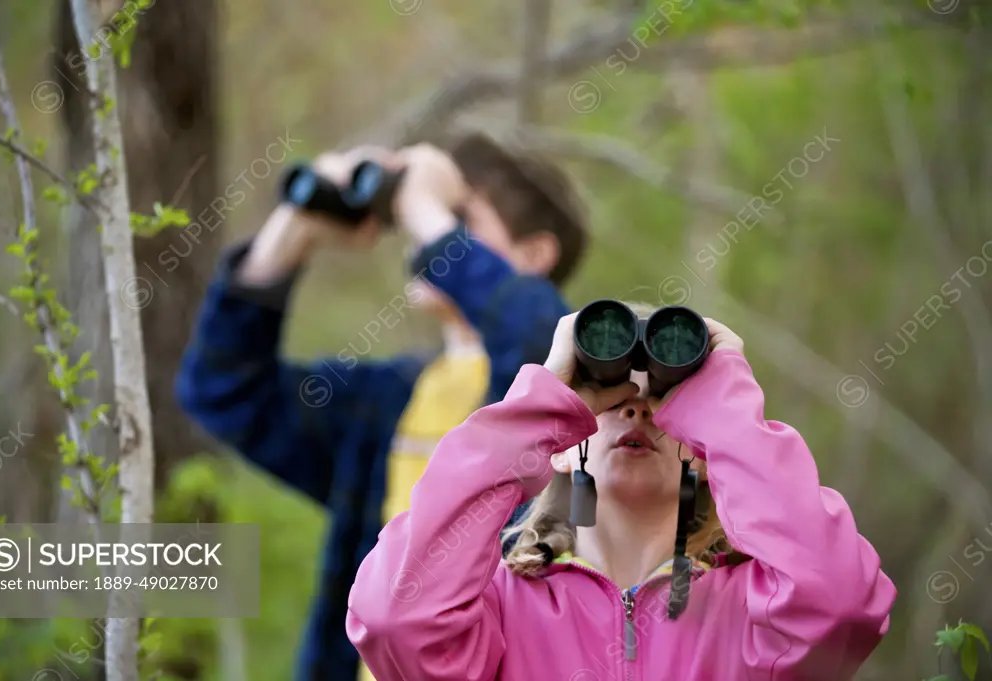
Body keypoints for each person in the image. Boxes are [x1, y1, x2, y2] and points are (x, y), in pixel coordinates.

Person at [175, 133, 589, 681]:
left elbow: (541, 344)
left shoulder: (576, 408)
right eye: (424, 218)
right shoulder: (387, 401)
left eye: (459, 217)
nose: (422, 237)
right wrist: (296, 228)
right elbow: (223, 388)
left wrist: (420, 204)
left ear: (535, 255)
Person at [347, 308, 898, 681]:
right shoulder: (494, 612)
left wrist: (728, 412)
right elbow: (396, 618)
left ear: (703, 455)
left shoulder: (752, 616)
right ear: (561, 445)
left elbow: (841, 604)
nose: (637, 409)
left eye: (661, 399)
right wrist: (537, 407)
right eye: (610, 402)